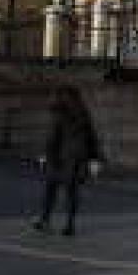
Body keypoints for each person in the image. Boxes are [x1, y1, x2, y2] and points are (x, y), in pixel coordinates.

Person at [34, 86, 103, 237]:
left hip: (60, 158)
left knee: (50, 189)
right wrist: (95, 159)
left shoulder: (60, 113)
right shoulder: (83, 114)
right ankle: (69, 224)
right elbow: (92, 138)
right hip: (78, 159)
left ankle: (44, 220)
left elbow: (52, 137)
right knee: (71, 192)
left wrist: (44, 156)